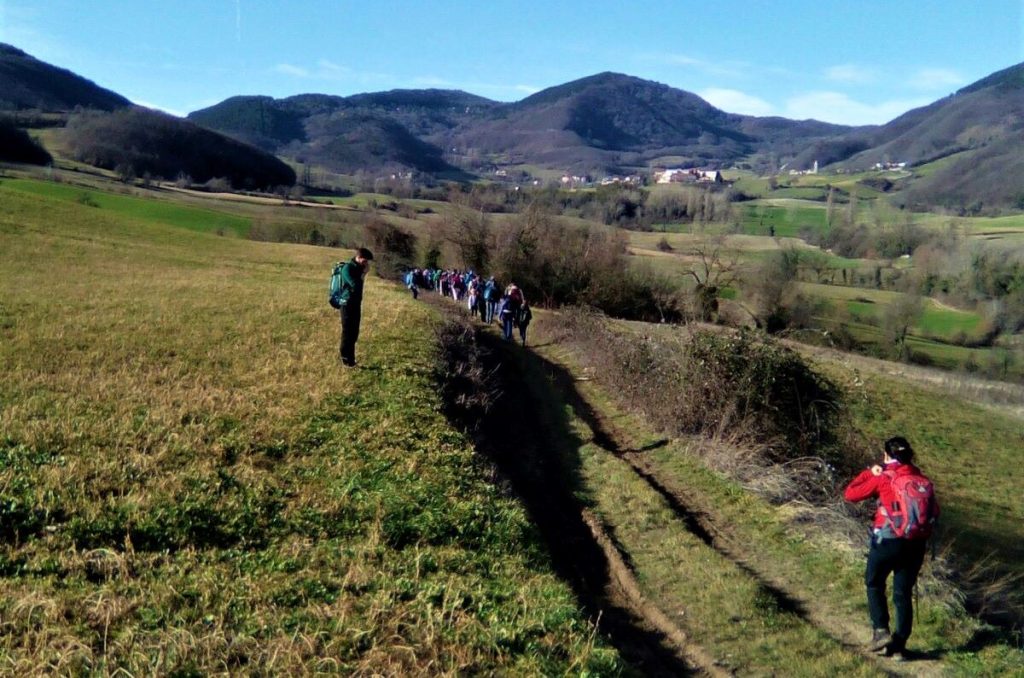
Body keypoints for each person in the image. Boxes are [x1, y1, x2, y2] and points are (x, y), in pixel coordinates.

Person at [844, 436, 938, 660]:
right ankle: (899, 646)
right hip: (916, 543)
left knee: (874, 582)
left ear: (887, 456)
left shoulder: (884, 478)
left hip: (887, 540)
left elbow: (851, 494)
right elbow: (935, 511)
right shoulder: (921, 480)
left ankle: (880, 631)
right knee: (902, 593)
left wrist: (870, 472)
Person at [337, 247, 373, 367]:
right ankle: (345, 359)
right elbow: (355, 285)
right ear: (358, 257)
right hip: (346, 303)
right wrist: (363, 274)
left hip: (356, 303)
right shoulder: (347, 268)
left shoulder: (358, 268)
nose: (366, 263)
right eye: (365, 260)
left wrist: (362, 272)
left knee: (354, 333)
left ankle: (351, 360)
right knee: (347, 332)